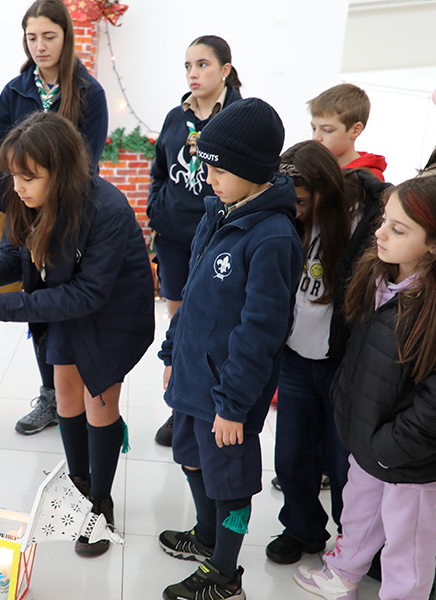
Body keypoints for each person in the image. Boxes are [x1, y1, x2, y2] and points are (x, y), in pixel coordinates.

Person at [0, 111, 154, 557]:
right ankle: (79, 484)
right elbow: (15, 255)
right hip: (62, 302)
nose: (19, 186)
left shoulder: (106, 208)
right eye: (13, 174)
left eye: (30, 176)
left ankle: (100, 503)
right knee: (66, 395)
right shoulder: (20, 197)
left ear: (61, 171)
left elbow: (89, 293)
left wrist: (5, 305)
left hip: (112, 312)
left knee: (98, 402)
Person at [156, 98, 303, 600]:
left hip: (229, 392)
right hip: (194, 374)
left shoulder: (273, 237)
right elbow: (194, 293)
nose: (209, 176)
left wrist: (234, 404)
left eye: (218, 167)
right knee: (191, 457)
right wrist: (172, 354)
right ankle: (206, 535)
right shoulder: (219, 210)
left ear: (250, 169)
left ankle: (224, 574)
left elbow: (261, 330)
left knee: (231, 479)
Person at [294, 176, 436, 600]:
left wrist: (392, 444)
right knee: (358, 512)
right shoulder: (377, 277)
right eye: (384, 221)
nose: (380, 233)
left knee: (407, 545)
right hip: (368, 437)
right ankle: (343, 573)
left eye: (399, 229)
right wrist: (351, 413)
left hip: (408, 456)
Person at [0, 0, 109, 437]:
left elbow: (86, 166)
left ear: (66, 36)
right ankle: (51, 394)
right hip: (25, 212)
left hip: (70, 218)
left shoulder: (89, 92)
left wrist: (54, 201)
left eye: (49, 36)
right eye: (32, 37)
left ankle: (74, 390)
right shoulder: (15, 90)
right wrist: (20, 195)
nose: (40, 45)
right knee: (36, 304)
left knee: (67, 301)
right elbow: (1, 156)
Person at [266, 140, 389, 565]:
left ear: (323, 190)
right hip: (295, 359)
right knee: (292, 457)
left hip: (342, 362)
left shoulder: (361, 217)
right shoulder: (286, 217)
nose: (294, 208)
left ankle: (355, 544)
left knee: (343, 465)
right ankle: (301, 529)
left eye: (301, 200)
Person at [148, 35, 242, 448]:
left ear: (225, 70)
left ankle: (210, 407)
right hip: (173, 236)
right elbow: (159, 168)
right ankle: (179, 409)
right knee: (179, 324)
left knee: (211, 325)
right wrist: (156, 208)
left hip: (218, 237)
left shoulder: (239, 116)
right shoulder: (175, 115)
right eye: (188, 65)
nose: (193, 73)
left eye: (203, 64)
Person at [309, 83, 387, 181]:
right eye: (314, 129)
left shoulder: (368, 178)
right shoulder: (310, 168)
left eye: (327, 130)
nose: (316, 137)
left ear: (355, 130)